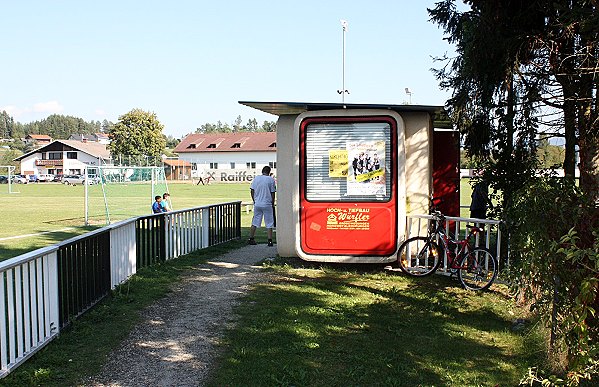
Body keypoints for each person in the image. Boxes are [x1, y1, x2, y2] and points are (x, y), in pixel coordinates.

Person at [248, 166, 276, 246]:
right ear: (269, 172)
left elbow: (252, 190)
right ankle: (270, 241)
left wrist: (254, 200)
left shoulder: (256, 179)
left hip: (258, 203)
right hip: (267, 203)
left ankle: (251, 238)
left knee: (255, 221)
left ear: (262, 171)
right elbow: (272, 192)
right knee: (269, 222)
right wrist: (272, 203)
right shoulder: (271, 180)